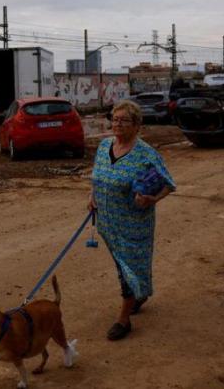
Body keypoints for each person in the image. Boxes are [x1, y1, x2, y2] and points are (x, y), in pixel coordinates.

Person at [87, 99, 176, 341]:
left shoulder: (146, 154)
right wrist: (92, 196)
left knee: (127, 269)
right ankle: (138, 295)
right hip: (106, 223)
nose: (117, 124)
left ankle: (123, 320)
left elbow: (169, 184)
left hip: (133, 224)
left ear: (137, 125)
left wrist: (151, 200)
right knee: (123, 266)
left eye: (124, 120)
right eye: (114, 119)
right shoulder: (104, 146)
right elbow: (97, 177)